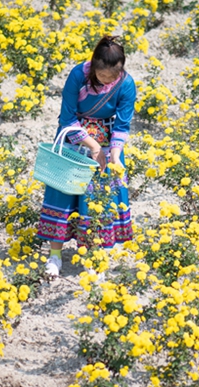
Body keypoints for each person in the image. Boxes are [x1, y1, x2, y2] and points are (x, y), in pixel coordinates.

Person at [36, 36, 136, 276]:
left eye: (114, 76)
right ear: (94, 67)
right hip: (74, 139)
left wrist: (114, 156)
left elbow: (122, 125)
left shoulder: (126, 84)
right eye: (103, 76)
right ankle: (55, 255)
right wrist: (93, 147)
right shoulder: (78, 75)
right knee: (62, 194)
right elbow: (68, 117)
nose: (108, 81)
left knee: (99, 201)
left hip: (107, 140)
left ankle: (93, 257)